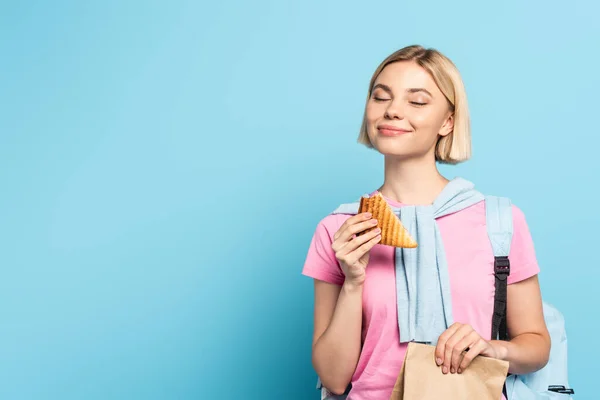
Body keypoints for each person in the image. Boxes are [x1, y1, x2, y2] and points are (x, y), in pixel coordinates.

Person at [301, 45, 551, 400]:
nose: (392, 111)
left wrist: (491, 348)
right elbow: (334, 379)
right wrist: (353, 281)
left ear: (448, 121)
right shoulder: (340, 228)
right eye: (380, 97)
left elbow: (537, 345)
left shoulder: (500, 220)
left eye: (416, 102)